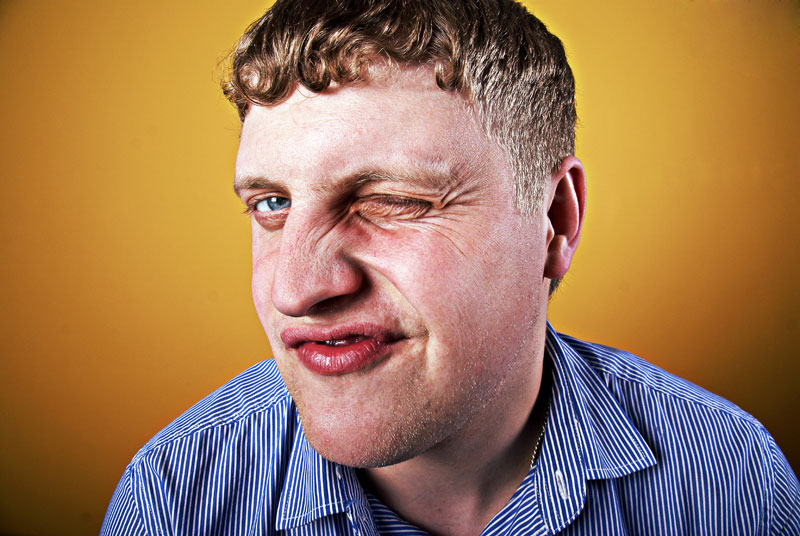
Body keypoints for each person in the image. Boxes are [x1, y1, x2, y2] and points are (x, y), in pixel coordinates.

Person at [101, 0, 799, 534]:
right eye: (273, 204)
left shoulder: (732, 478)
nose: (295, 289)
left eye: (394, 200)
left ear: (555, 219)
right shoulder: (174, 498)